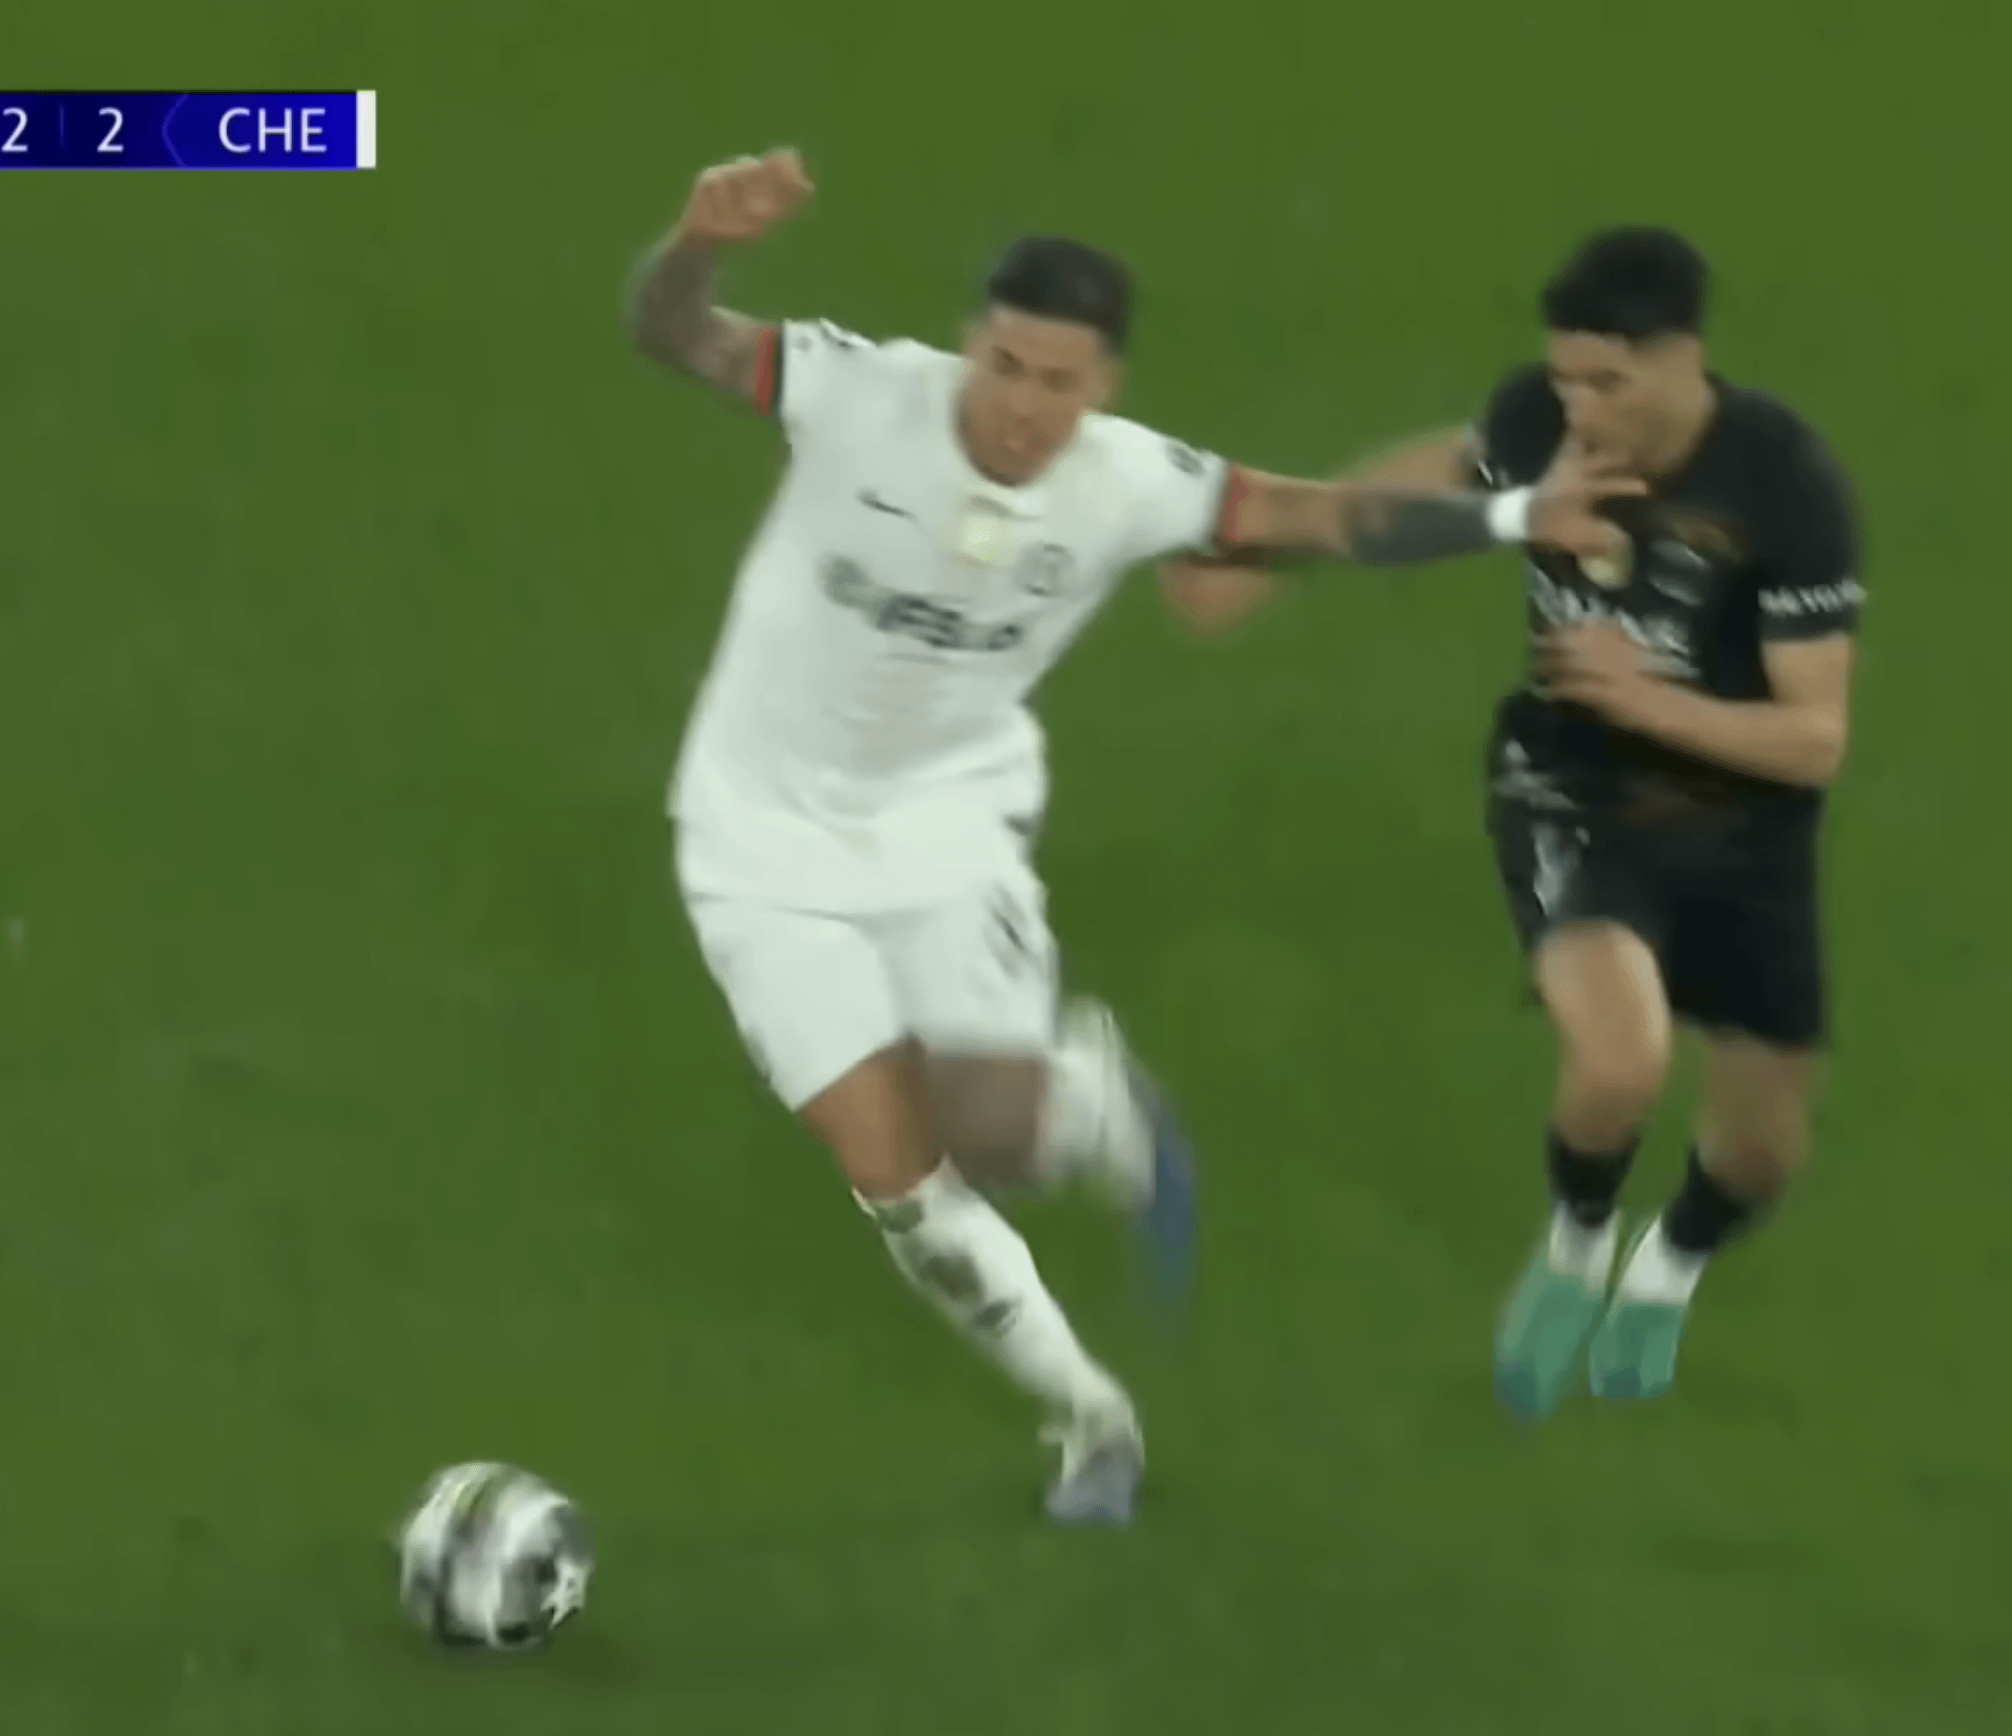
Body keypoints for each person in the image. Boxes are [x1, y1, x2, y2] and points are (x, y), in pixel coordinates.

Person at [622, 147, 1634, 1523]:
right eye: (1005, 365)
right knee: (895, 1177)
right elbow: (672, 332)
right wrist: (696, 245)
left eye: (1059, 380)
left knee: (991, 1128)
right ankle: (1090, 1416)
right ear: (970, 343)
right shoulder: (856, 390)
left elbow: (1318, 518)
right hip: (754, 841)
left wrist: (1514, 514)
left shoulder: (1127, 481)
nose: (1024, 404)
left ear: (1103, 385)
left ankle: (1094, 1105)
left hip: (943, 825)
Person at [1175, 226, 1863, 1424]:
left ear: (1683, 359)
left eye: (1610, 383)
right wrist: (1269, 548)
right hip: (1573, 782)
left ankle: (1667, 1266)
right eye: (1566, 379)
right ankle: (1575, 1244)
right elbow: (1443, 471)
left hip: (1744, 819)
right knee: (1620, 1055)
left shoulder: (1783, 484)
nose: (1579, 410)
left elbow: (1815, 738)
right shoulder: (1540, 423)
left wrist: (1644, 694)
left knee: (1762, 1149)